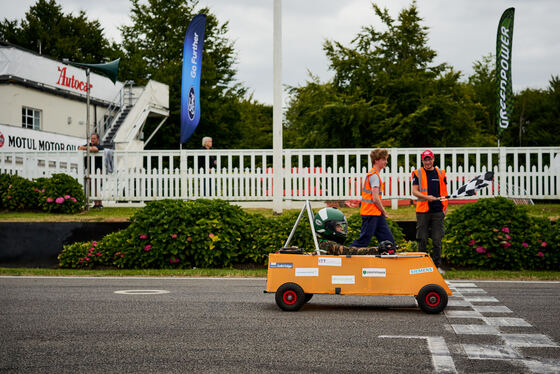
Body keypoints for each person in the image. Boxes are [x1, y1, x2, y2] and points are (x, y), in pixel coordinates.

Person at [411, 150, 448, 273]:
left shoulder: (441, 173)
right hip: (423, 211)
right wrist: (428, 198)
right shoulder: (417, 173)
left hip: (438, 211)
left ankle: (436, 266)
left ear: (433, 160)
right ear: (422, 161)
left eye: (429, 159)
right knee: (422, 238)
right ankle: (420, 266)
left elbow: (444, 192)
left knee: (437, 240)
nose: (427, 162)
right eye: (425, 160)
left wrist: (445, 209)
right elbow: (414, 191)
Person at [350, 149, 395, 248]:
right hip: (371, 214)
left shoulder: (374, 175)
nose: (386, 162)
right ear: (376, 161)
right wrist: (384, 211)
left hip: (375, 214)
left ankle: (390, 255)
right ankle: (347, 255)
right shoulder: (374, 176)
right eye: (384, 159)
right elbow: (375, 198)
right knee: (363, 241)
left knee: (388, 241)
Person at [313, 207, 379, 255]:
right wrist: (377, 250)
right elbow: (349, 252)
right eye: (338, 226)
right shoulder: (325, 244)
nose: (341, 229)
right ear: (328, 227)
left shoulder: (326, 243)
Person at [78, 133, 104, 208]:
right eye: (91, 138)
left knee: (96, 186)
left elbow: (95, 149)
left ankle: (98, 204)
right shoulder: (88, 144)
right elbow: (80, 148)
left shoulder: (99, 146)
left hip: (98, 170)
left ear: (98, 139)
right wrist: (87, 148)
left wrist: (86, 148)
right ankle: (97, 203)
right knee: (92, 187)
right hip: (90, 170)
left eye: (94, 138)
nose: (92, 140)